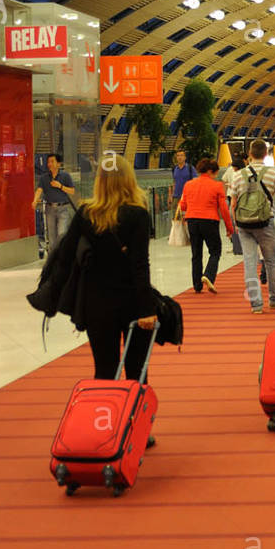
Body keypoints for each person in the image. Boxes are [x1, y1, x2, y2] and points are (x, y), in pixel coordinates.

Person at [66, 157, 158, 392]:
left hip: (96, 304)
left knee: (104, 370)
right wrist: (147, 309)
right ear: (128, 179)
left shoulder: (85, 213)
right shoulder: (137, 214)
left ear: (100, 181)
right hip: (131, 302)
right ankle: (135, 426)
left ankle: (106, 425)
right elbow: (140, 265)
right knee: (137, 372)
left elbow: (68, 256)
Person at [229, 139, 275, 313]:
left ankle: (256, 305)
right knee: (271, 261)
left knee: (249, 263)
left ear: (249, 153)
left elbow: (233, 203)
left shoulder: (238, 175)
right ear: (266, 154)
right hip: (265, 223)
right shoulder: (273, 173)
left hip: (244, 224)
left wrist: (236, 223)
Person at [177, 158, 234, 294]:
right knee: (215, 251)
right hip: (209, 221)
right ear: (210, 171)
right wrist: (229, 227)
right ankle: (208, 275)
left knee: (196, 253)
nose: (216, 176)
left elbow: (183, 205)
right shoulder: (216, 186)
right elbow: (224, 209)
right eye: (215, 173)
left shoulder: (188, 185)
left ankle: (197, 285)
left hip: (192, 221)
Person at [32, 153, 76, 254]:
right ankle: (52, 259)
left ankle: (62, 257)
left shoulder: (65, 176)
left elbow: (72, 191)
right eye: (48, 162)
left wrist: (60, 186)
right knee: (51, 236)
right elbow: (39, 190)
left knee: (61, 234)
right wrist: (35, 200)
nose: (49, 164)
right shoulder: (44, 178)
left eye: (52, 161)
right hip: (49, 208)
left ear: (59, 164)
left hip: (63, 208)